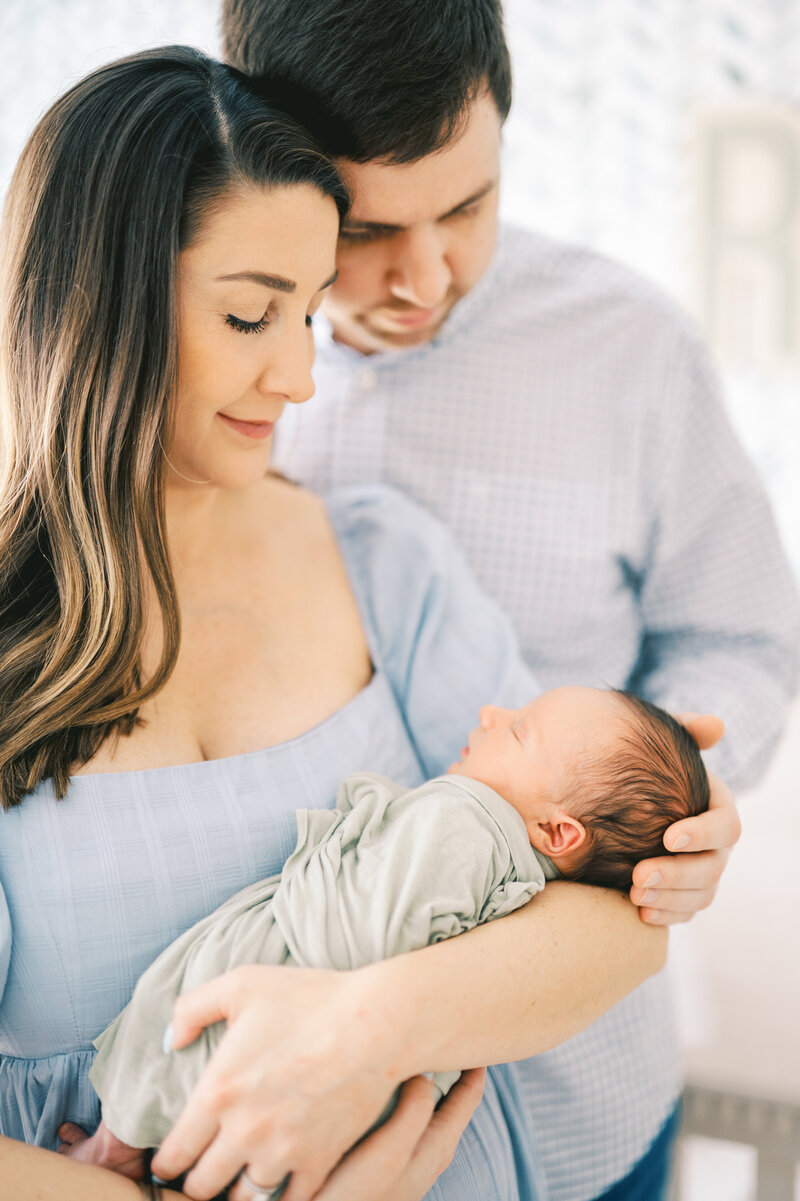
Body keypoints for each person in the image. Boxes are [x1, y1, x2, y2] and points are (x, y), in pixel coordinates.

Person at [0, 42, 686, 1201]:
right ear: (100, 305)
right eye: (250, 314)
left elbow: (610, 916)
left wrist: (362, 1032)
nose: (299, 378)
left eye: (309, 314)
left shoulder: (376, 557)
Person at [220, 2, 800, 1198]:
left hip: (585, 1094)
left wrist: (691, 792)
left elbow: (740, 636)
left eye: (466, 208)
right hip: (285, 1117)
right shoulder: (193, 366)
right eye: (370, 228)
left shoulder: (629, 347)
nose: (426, 276)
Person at [57, 686, 710, 1187]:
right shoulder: (529, 877)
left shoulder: (467, 820)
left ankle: (111, 1149)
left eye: (516, 730)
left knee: (174, 1034)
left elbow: (356, 933)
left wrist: (338, 840)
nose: (490, 711)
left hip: (286, 993)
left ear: (561, 833)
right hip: (359, 1116)